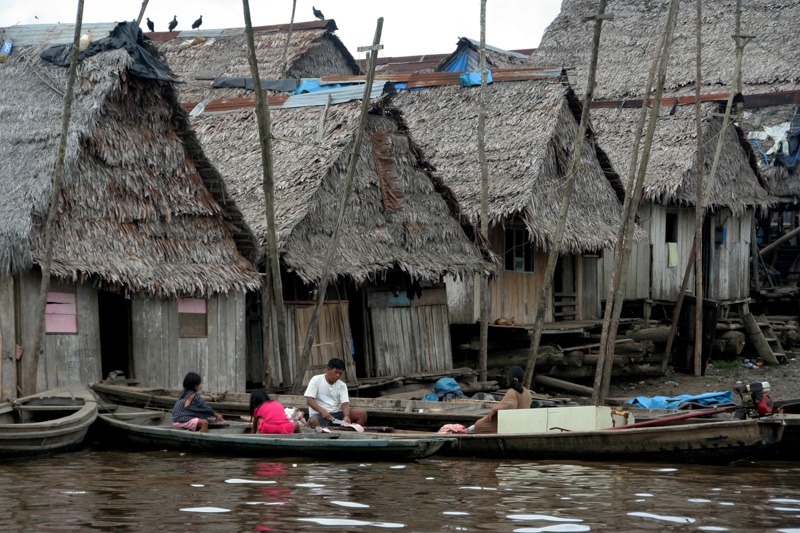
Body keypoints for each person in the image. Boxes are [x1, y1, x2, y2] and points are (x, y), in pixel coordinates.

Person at [304, 358, 367, 428]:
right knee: (313, 421)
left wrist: (346, 416)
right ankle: (324, 436)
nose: (337, 375)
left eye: (340, 373)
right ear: (328, 369)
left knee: (361, 413)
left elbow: (345, 403)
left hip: (337, 414)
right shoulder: (316, 380)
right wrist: (323, 412)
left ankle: (352, 434)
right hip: (319, 415)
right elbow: (309, 401)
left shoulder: (342, 385)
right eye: (336, 372)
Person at [472, 366, 532, 434]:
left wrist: (495, 409)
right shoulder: (528, 393)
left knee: (478, 425)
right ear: (523, 379)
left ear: (508, 378)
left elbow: (510, 405)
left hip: (511, 425)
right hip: (521, 424)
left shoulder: (512, 391)